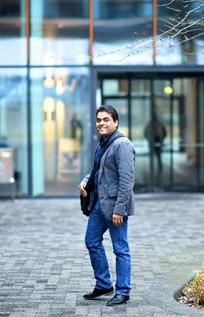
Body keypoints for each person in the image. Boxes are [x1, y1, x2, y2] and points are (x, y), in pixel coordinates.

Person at [78, 105, 136, 306]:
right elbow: (99, 170)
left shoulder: (122, 145)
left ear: (116, 122)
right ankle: (104, 284)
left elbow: (127, 181)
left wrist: (120, 209)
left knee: (121, 249)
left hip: (114, 208)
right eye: (98, 120)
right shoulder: (102, 143)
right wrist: (86, 180)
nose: (101, 123)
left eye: (106, 120)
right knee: (91, 241)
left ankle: (123, 291)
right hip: (98, 205)